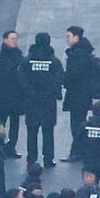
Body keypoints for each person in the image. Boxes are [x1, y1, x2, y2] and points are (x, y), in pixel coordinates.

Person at [20, 32, 63, 169]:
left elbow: (22, 79)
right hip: (48, 102)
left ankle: (31, 159)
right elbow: (59, 79)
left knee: (32, 132)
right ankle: (48, 159)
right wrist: (48, 93)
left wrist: (31, 93)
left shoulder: (27, 61)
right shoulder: (54, 62)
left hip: (31, 102)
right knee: (48, 132)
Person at [0, 30, 25, 157]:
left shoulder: (20, 57)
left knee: (15, 123)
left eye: (16, 39)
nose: (14, 41)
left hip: (17, 97)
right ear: (5, 39)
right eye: (12, 39)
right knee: (0, 123)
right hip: (1, 96)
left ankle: (11, 147)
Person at [61, 25, 98, 162]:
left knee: (76, 124)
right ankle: (80, 150)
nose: (67, 39)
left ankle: (77, 151)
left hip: (77, 95)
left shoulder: (78, 54)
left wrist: (63, 78)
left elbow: (74, 74)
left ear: (76, 37)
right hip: (83, 94)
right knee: (79, 122)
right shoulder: (83, 51)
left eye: (69, 36)